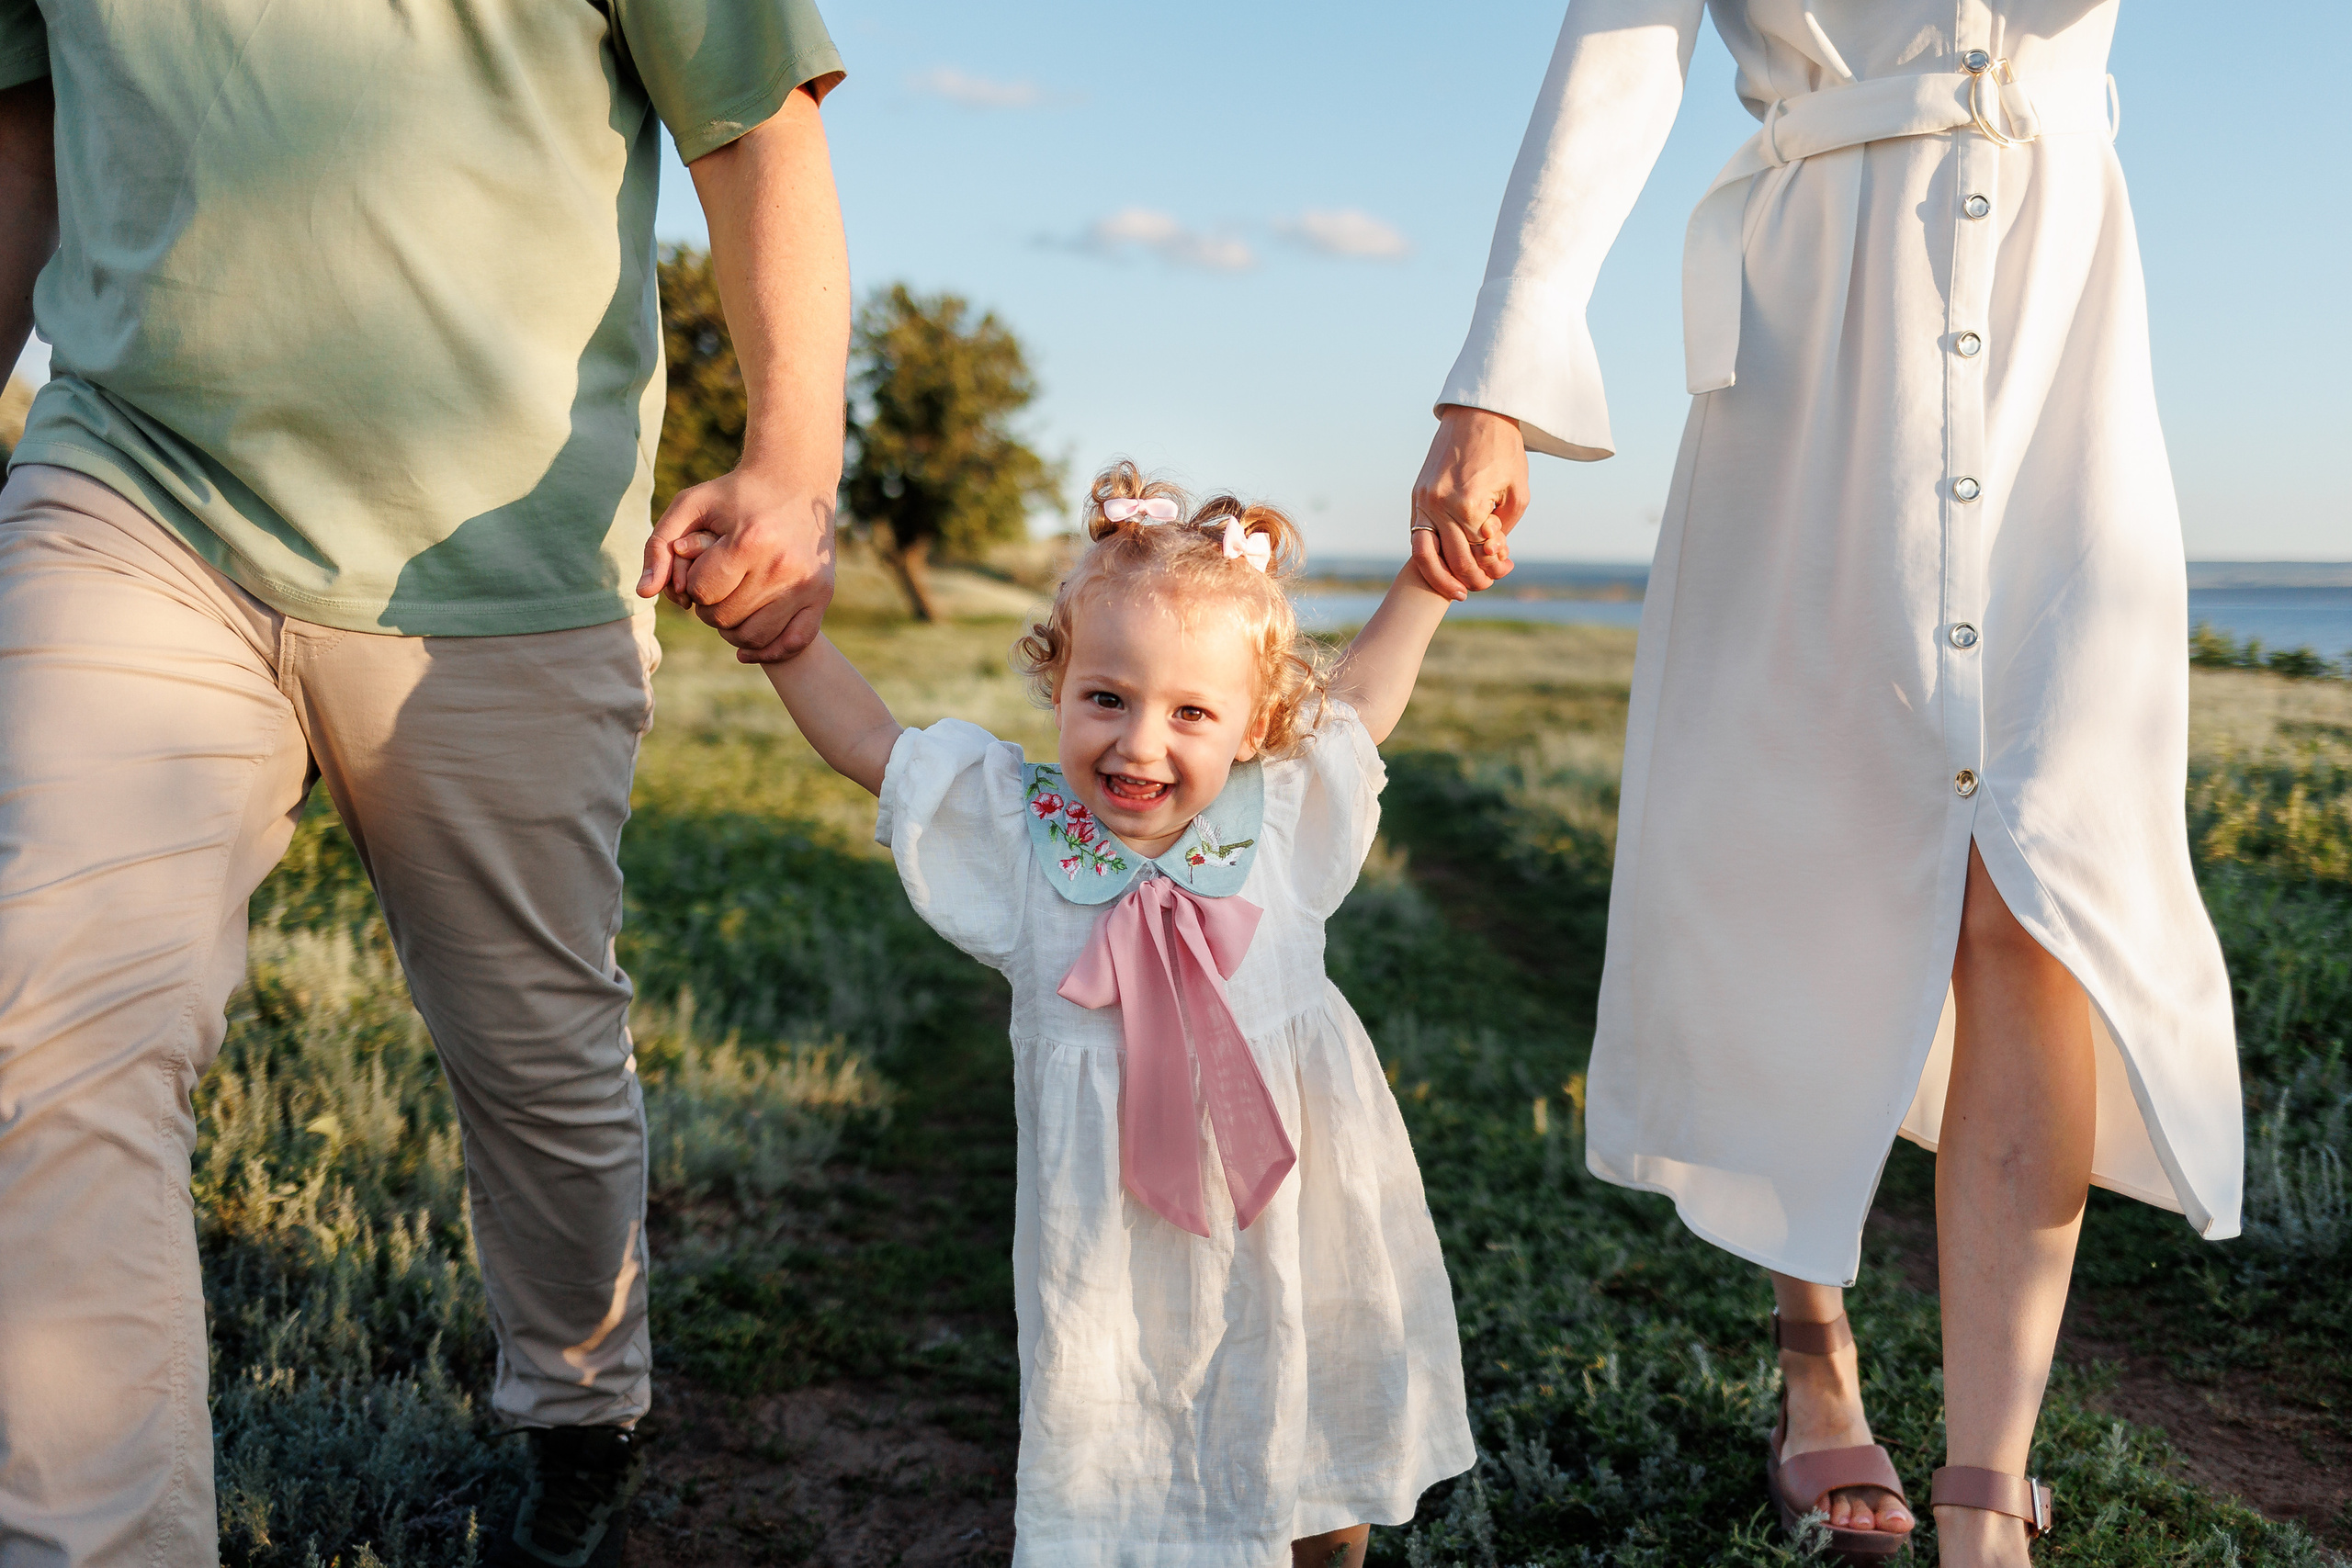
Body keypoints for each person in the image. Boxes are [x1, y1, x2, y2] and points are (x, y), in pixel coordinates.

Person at [0, 4, 850, 1564]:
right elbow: (23, 133)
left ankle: (583, 1403)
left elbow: (753, 115)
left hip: (503, 556)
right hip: (133, 485)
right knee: (43, 1022)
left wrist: (795, 454)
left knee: (533, 1055)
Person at [1409, 5, 2242, 1564]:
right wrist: (1495, 380)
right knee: (1807, 861)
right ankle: (1817, 1353)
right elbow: (1620, 43)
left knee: (2038, 881)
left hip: (2062, 314)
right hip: (1816, 323)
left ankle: (1987, 1483)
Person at [672, 461, 1476, 1568]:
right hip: (1108, 1235)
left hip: (1295, 1202)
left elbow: (1368, 705)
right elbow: (877, 752)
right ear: (1058, 686)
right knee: (1121, 1441)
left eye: (1192, 711)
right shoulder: (1014, 831)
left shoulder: (1282, 811)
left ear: (1258, 722)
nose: (1140, 744)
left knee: (1312, 1416)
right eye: (1107, 697)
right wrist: (790, 644)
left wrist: (1426, 584)